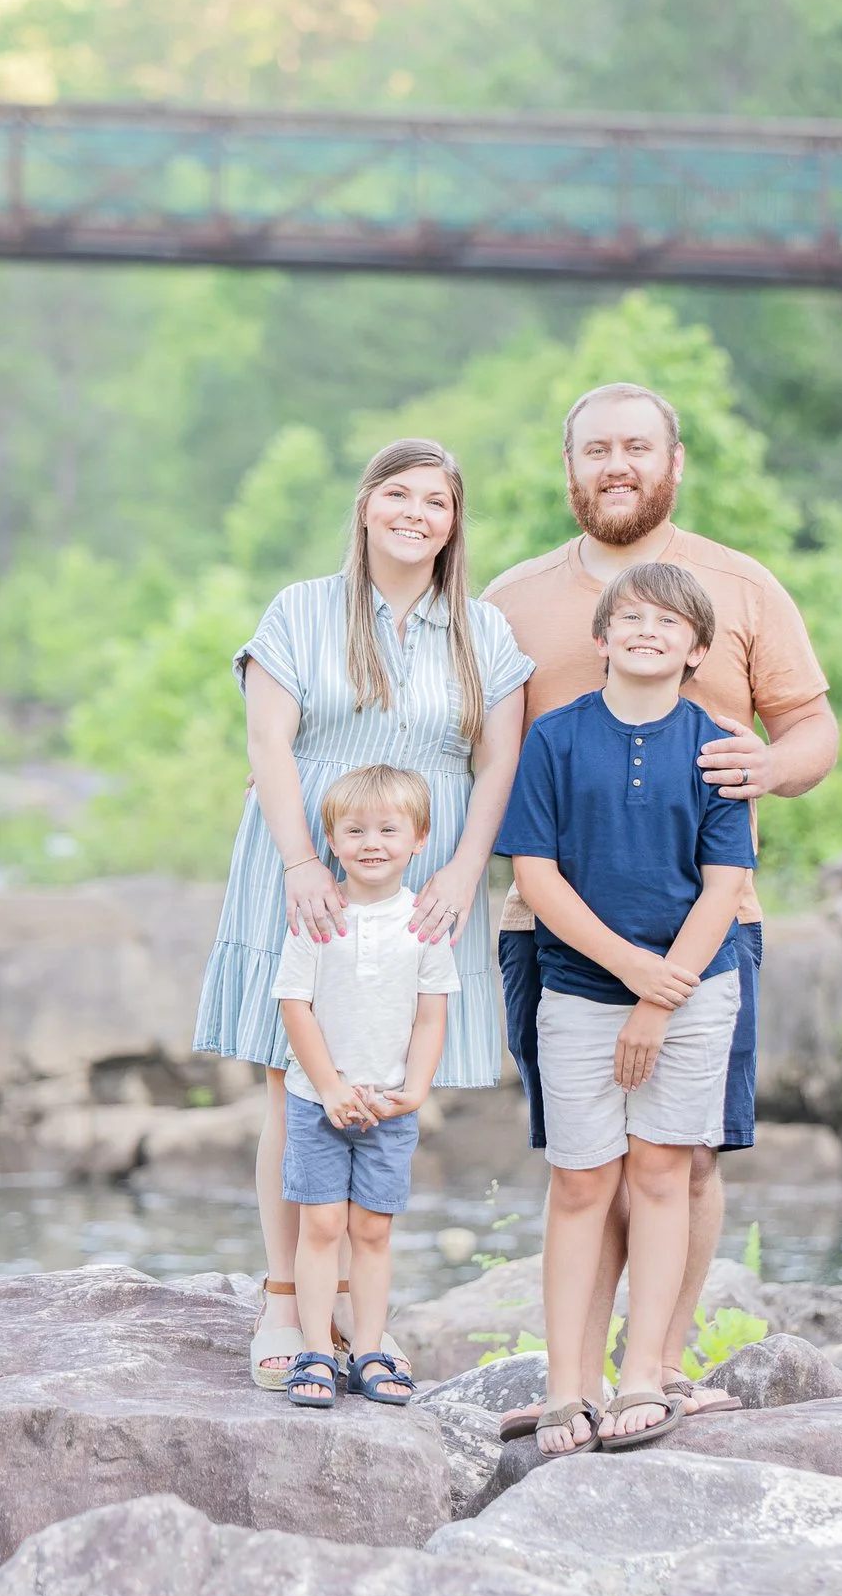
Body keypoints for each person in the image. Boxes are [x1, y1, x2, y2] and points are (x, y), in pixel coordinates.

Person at [483, 382, 837, 1439]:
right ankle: (572, 1381)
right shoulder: (509, 599)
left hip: (709, 922)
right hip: (551, 929)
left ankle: (660, 1366)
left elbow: (813, 727)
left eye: (637, 445)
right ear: (571, 467)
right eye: (597, 449)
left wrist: (768, 769)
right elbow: (466, 743)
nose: (617, 464)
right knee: (583, 1160)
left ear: (673, 459)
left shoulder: (738, 584)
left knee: (682, 1154)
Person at [192, 438, 534, 1390]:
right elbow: (270, 739)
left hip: (425, 881)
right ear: (366, 505)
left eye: (436, 499)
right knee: (292, 1087)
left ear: (455, 522)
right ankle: (287, 1302)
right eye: (397, 493)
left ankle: (362, 1314)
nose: (415, 512)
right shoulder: (301, 610)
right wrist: (302, 861)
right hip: (304, 865)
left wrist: (468, 869)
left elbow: (497, 761)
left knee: (383, 1078)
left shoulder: (485, 631)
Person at [496, 563, 755, 1452]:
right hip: (577, 989)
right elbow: (535, 874)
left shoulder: (716, 743)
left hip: (693, 990)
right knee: (580, 1180)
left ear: (697, 649)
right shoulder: (556, 740)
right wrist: (626, 970)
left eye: (670, 621)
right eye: (631, 616)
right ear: (601, 638)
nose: (648, 630)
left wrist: (660, 994)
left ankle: (644, 1372)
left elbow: (726, 885)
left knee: (660, 1172)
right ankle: (570, 1384)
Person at [273, 764, 457, 1408]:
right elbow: (294, 1006)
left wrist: (415, 1090)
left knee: (372, 1229)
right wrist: (327, 1087)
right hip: (317, 1099)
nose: (371, 842)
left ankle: (372, 1348)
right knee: (321, 1224)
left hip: (387, 1104)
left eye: (388, 829)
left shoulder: (424, 922)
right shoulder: (317, 916)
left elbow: (432, 1014)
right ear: (332, 840)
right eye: (354, 830)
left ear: (419, 837)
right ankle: (316, 1350)